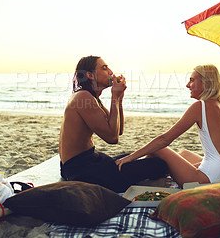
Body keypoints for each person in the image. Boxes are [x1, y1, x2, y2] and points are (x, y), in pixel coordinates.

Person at [116, 64, 220, 188]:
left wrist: (130, 158)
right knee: (184, 154)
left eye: (191, 80)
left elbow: (165, 140)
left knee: (158, 149)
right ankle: (160, 178)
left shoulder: (200, 106)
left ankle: (147, 180)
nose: (187, 85)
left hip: (208, 179)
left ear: (205, 82)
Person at [59, 55, 168, 193]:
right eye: (104, 68)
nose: (110, 71)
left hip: (90, 161)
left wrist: (119, 98)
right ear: (90, 75)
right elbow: (112, 138)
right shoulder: (83, 97)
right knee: (159, 164)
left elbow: (118, 130)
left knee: (131, 156)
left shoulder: (92, 98)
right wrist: (114, 97)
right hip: (81, 170)